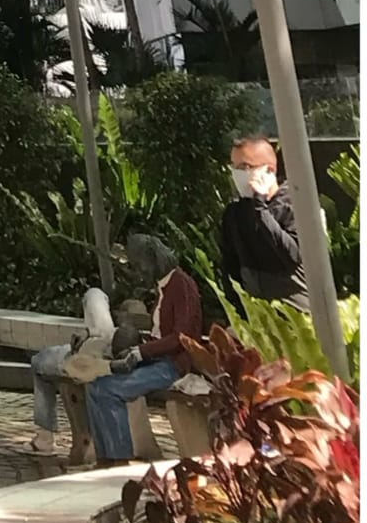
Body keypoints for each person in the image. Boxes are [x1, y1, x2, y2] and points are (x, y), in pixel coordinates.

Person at [85, 234, 203, 464]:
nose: (138, 272)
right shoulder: (163, 287)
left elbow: (181, 336)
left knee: (110, 390)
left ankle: (118, 458)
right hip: (158, 359)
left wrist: (141, 352)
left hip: (173, 365)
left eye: (139, 266)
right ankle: (106, 456)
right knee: (95, 385)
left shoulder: (182, 285)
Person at [218, 133, 312, 313]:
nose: (238, 173)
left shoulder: (295, 205)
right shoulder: (235, 213)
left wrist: (260, 206)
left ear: (269, 170)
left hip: (296, 315)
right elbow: (230, 264)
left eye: (245, 166)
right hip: (259, 318)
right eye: (234, 167)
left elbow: (291, 255)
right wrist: (236, 311)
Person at [27, 286, 113, 460]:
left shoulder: (95, 298)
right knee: (41, 359)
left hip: (85, 360)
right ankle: (45, 436)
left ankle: (45, 436)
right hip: (92, 353)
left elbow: (104, 332)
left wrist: (89, 335)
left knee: (38, 363)